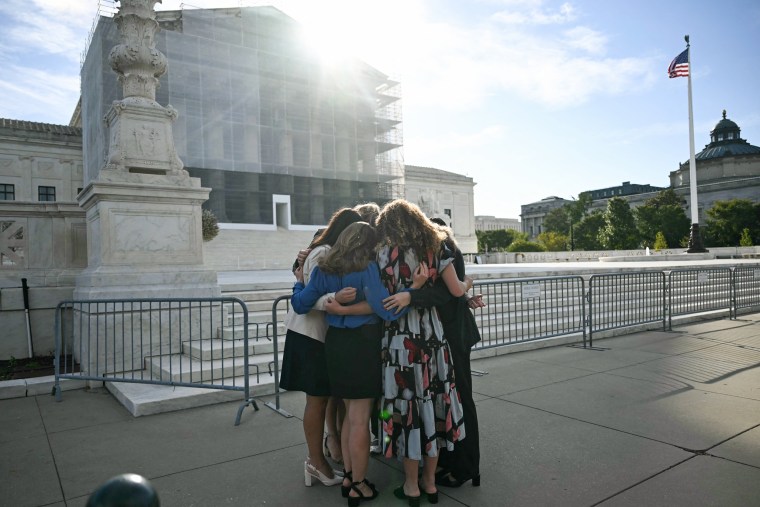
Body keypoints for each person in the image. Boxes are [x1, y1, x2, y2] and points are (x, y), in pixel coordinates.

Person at [290, 221, 425, 507]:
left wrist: (298, 281)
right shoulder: (367, 269)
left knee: (350, 415)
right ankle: (359, 485)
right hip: (363, 344)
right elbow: (385, 310)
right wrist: (414, 288)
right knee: (360, 419)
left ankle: (350, 476)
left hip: (335, 344)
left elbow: (301, 304)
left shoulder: (325, 269)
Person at [374, 199, 470, 507]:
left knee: (403, 408)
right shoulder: (437, 248)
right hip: (432, 339)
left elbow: (378, 300)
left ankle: (411, 484)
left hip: (398, 343)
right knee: (433, 402)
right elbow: (453, 290)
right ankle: (430, 483)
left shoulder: (382, 254)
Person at [279, 207, 362, 488]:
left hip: (319, 335)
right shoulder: (322, 252)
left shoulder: (326, 251)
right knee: (316, 400)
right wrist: (335, 297)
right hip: (309, 335)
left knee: (324, 397)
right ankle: (315, 461)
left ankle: (322, 455)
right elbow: (306, 294)